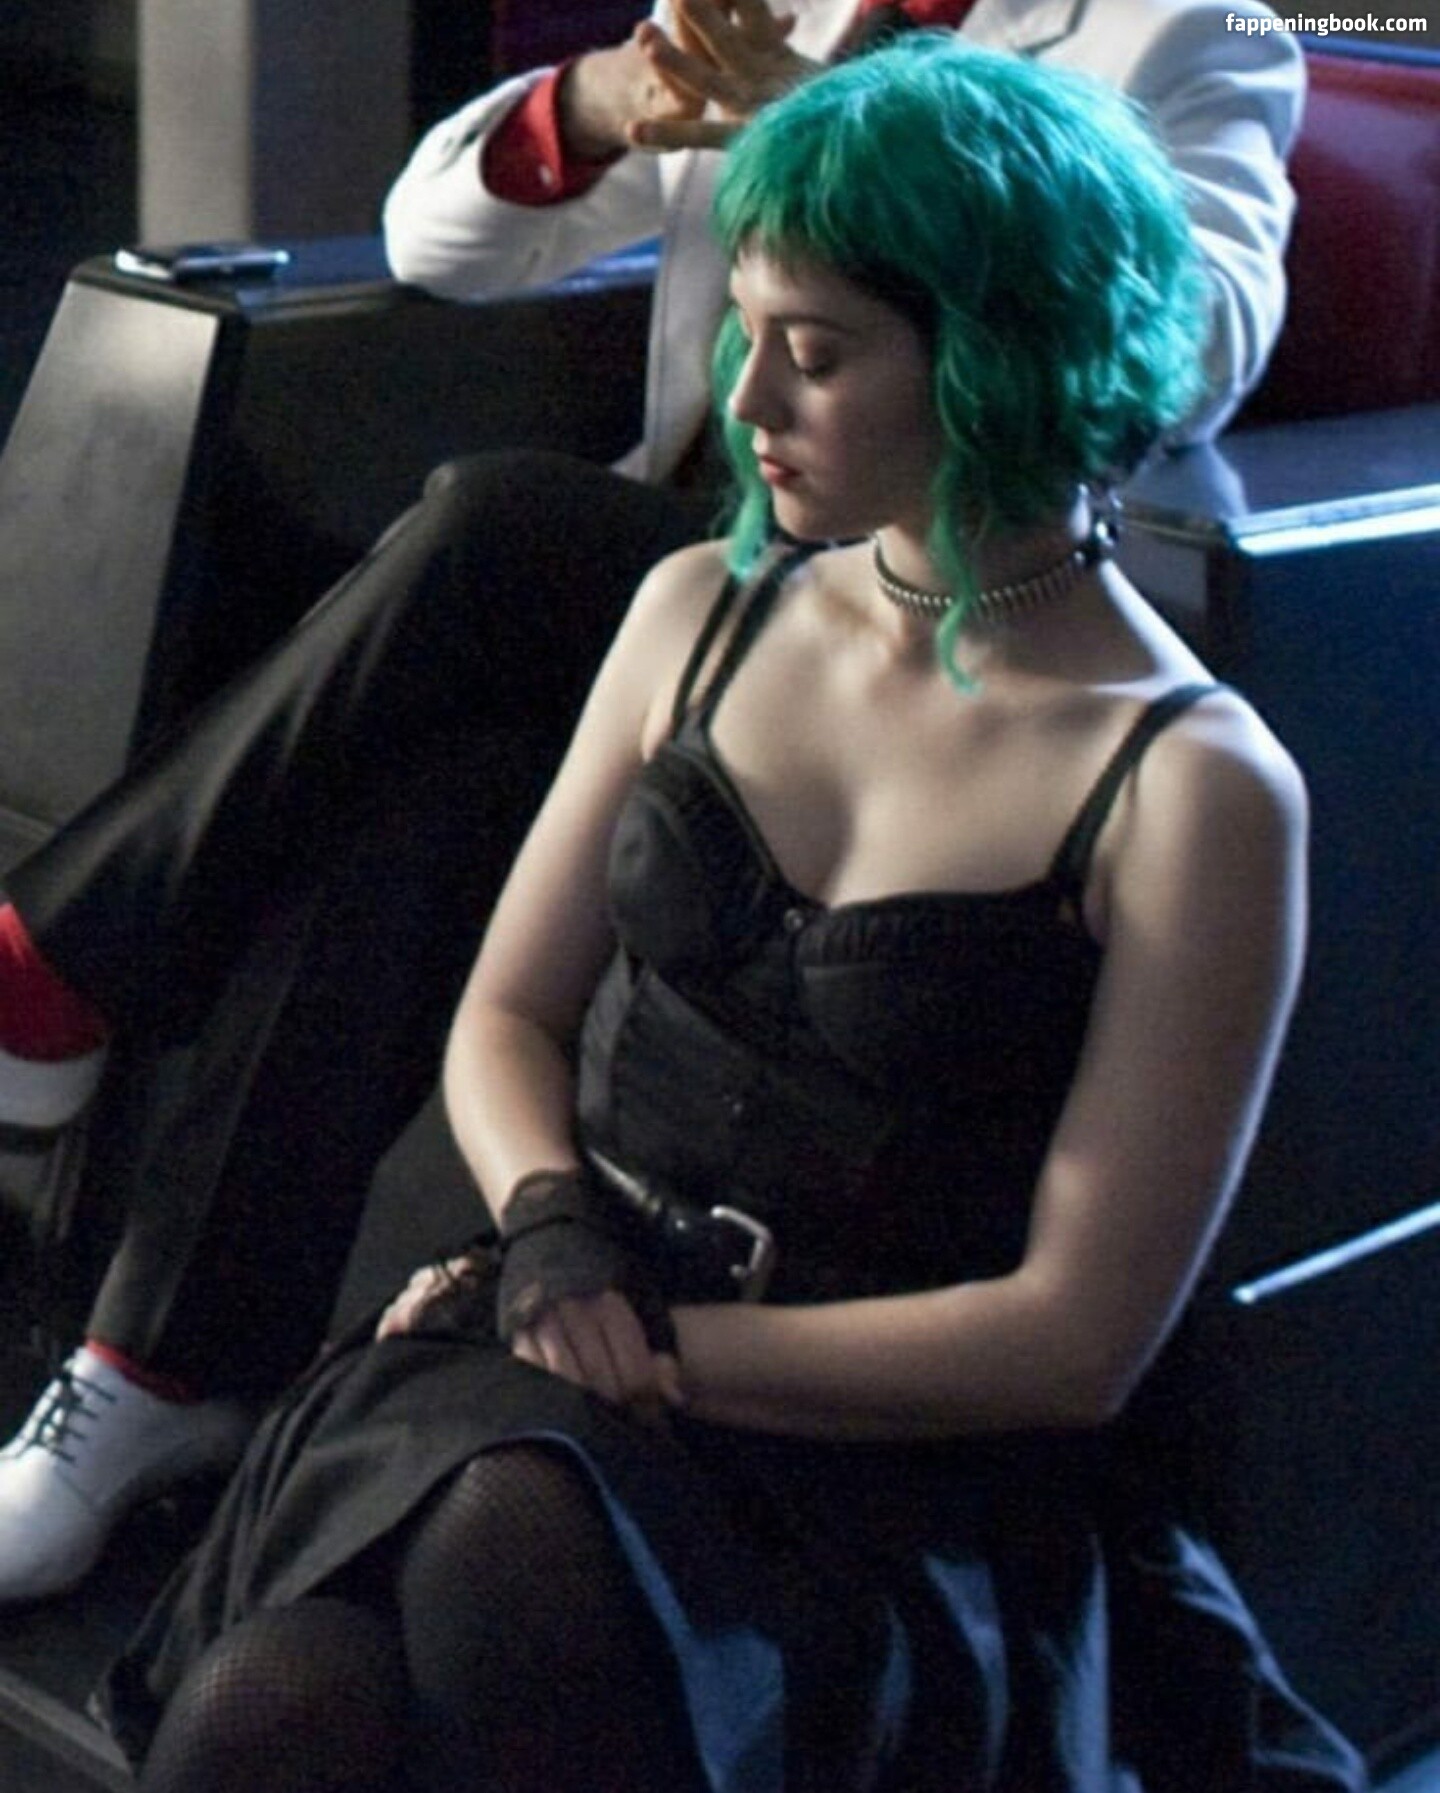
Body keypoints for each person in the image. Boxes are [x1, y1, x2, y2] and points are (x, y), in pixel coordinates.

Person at [93, 38, 1366, 1793]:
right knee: (266, 1710)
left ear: (998, 364)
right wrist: (548, 1225)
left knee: (504, 1558)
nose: (745, 397)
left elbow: (1075, 1340)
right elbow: (507, 1014)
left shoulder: (1195, 786)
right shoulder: (699, 606)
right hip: (561, 1343)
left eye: (816, 354)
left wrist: (653, 1356)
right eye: (747, 331)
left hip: (891, 1463)